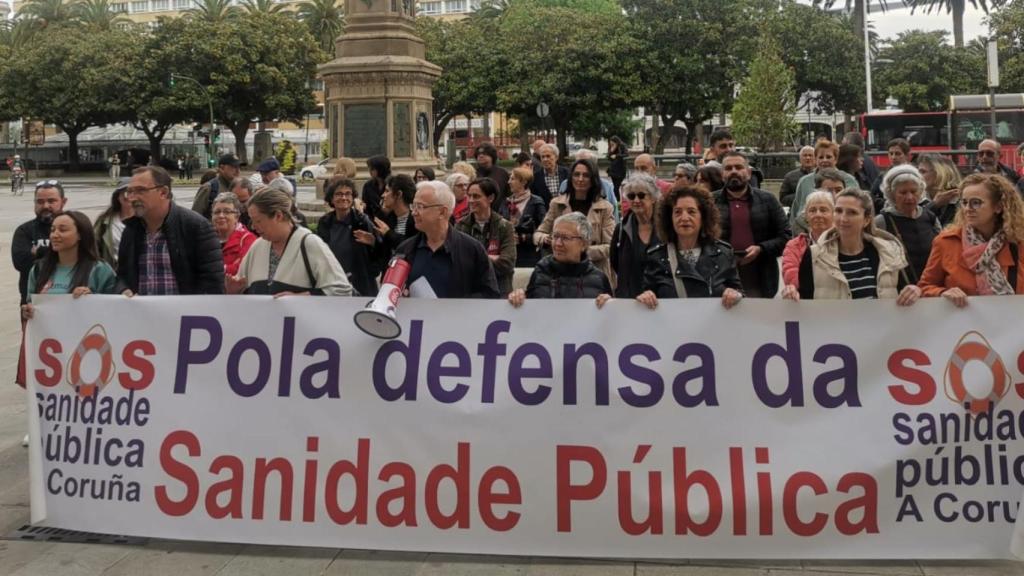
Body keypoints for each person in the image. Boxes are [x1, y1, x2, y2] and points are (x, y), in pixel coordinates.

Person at [782, 188, 920, 304]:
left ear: (866, 220)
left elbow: (906, 291)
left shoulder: (888, 253)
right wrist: (792, 294)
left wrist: (915, 291)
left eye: (852, 212)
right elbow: (804, 304)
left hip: (881, 333)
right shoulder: (813, 255)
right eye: (838, 211)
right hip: (832, 335)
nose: (843, 218)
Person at [919, 173, 1024, 305]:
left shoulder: (1018, 241)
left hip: (1012, 321)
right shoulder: (946, 242)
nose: (968, 209)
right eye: (964, 202)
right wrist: (942, 292)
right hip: (962, 322)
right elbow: (924, 287)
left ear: (998, 207)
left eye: (976, 203)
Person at [117, 166, 224, 296]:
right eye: (130, 192)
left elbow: (213, 283)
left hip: (184, 314)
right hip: (141, 315)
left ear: (163, 192)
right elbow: (122, 276)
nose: (132, 198)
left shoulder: (196, 227)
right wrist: (123, 289)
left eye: (140, 191)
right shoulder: (130, 230)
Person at [228, 187, 353, 296]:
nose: (253, 227)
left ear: (278, 216)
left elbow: (341, 289)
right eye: (252, 221)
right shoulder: (257, 246)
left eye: (258, 221)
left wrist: (305, 297)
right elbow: (242, 289)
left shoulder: (309, 243)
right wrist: (234, 290)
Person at [636, 185, 744, 309]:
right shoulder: (656, 256)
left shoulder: (723, 253)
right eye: (677, 212)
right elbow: (645, 299)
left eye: (691, 211)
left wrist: (735, 294)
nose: (684, 218)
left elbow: (740, 295)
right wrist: (645, 297)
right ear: (669, 218)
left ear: (703, 217)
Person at [396, 180, 499, 298]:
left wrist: (454, 306)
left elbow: (490, 294)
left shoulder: (471, 249)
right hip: (416, 316)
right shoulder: (405, 250)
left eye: (420, 206)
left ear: (442, 212)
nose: (414, 212)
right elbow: (388, 292)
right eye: (413, 206)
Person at [715, 152, 792, 298]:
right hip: (720, 278)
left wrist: (761, 249)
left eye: (739, 167)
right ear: (721, 174)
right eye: (728, 168)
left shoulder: (768, 200)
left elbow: (786, 237)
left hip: (760, 277)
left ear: (749, 173)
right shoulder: (709, 202)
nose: (734, 171)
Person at [20, 211, 118, 324]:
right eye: (52, 230)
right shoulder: (39, 269)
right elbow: (30, 303)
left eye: (63, 230)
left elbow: (115, 308)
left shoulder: (99, 269)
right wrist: (27, 311)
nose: (55, 235)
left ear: (80, 234)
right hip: (50, 339)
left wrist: (92, 299)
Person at [535, 158, 616, 283]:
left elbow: (610, 247)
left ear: (593, 179)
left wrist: (578, 252)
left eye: (586, 175)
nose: (580, 179)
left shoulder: (605, 208)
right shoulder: (557, 204)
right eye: (576, 174)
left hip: (595, 275)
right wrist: (545, 239)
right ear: (570, 177)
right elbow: (538, 234)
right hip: (560, 274)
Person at [508, 212, 613, 309]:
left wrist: (610, 304)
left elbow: (610, 322)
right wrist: (519, 297)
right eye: (555, 236)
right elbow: (529, 312)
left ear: (584, 244)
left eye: (565, 238)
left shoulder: (599, 279)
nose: (558, 243)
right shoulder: (541, 271)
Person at [874, 165, 940, 284]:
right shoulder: (882, 221)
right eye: (903, 192)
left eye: (913, 191)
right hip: (900, 289)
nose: (909, 197)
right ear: (892, 194)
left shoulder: (929, 217)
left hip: (931, 286)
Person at [317, 177, 378, 297]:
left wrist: (373, 242)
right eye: (339, 194)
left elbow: (379, 250)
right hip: (333, 282)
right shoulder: (325, 222)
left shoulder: (362, 221)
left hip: (361, 283)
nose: (344, 198)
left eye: (348, 194)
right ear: (331, 199)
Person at [456, 178, 516, 295]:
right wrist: (492, 258)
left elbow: (507, 263)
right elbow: (458, 263)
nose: (471, 200)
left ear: (490, 198)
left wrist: (475, 260)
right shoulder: (461, 226)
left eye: (476, 196)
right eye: (469, 196)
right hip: (471, 292)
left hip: (500, 291)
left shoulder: (504, 226)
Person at [13, 180, 66, 305]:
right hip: (32, 302)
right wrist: (62, 253)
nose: (45, 206)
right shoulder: (24, 230)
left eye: (51, 201)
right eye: (40, 202)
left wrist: (39, 252)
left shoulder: (75, 228)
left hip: (70, 299)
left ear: (63, 202)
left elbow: (82, 258)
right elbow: (21, 263)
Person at [790, 139, 860, 233]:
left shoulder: (849, 180)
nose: (824, 160)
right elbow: (796, 210)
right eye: (821, 157)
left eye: (828, 157)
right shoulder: (804, 182)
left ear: (835, 159)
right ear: (816, 159)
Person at [611, 174, 661, 298]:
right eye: (631, 196)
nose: (636, 200)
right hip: (629, 301)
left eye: (641, 195)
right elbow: (615, 262)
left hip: (660, 299)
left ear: (653, 198)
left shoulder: (666, 228)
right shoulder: (621, 229)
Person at [781, 191, 834, 288]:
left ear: (834, 214)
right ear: (806, 216)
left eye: (823, 210)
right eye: (812, 210)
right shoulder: (794, 245)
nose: (818, 214)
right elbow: (790, 277)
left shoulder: (843, 242)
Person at [506, 166, 547, 268]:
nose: (508, 182)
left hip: (529, 255)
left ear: (523, 182)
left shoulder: (536, 202)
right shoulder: (505, 202)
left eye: (512, 179)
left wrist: (523, 238)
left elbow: (544, 228)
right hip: (508, 254)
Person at [373, 173, 419, 260]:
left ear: (399, 194)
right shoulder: (389, 218)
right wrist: (373, 242)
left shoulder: (416, 220)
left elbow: (410, 247)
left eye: (387, 191)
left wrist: (388, 233)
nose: (383, 195)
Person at [211, 192, 257, 277]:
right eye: (217, 212)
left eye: (227, 212)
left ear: (237, 216)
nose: (221, 216)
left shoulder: (248, 239)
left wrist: (213, 270)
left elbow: (242, 269)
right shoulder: (206, 238)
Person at [94, 183, 133, 270]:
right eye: (125, 193)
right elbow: (94, 246)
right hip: (112, 270)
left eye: (132, 192)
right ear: (118, 197)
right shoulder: (104, 221)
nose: (128, 196)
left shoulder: (146, 219)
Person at [917, 153, 962, 226]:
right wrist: (934, 205)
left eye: (923, 172)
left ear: (940, 173)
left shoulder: (961, 201)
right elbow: (913, 224)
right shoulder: (918, 198)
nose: (917, 176)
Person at [191, 154, 240, 219]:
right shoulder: (209, 188)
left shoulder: (239, 187)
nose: (238, 171)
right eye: (234, 167)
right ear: (222, 168)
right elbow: (195, 216)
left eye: (239, 167)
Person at [870, 138, 911, 210]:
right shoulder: (883, 175)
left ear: (907, 155)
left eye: (898, 154)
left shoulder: (913, 175)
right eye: (891, 153)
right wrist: (883, 202)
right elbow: (872, 194)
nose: (893, 157)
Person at [474, 142, 510, 209]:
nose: (481, 156)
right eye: (478, 154)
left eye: (485, 154)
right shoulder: (473, 173)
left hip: (499, 212)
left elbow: (509, 194)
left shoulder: (502, 173)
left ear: (492, 156)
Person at [530, 143, 568, 207]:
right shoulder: (535, 177)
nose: (545, 159)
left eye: (548, 156)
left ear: (556, 157)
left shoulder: (567, 173)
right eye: (543, 157)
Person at [362, 155, 391, 221]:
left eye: (372, 169)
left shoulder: (392, 184)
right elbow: (366, 207)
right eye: (369, 168)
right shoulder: (368, 185)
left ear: (380, 169)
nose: (370, 171)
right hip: (373, 222)